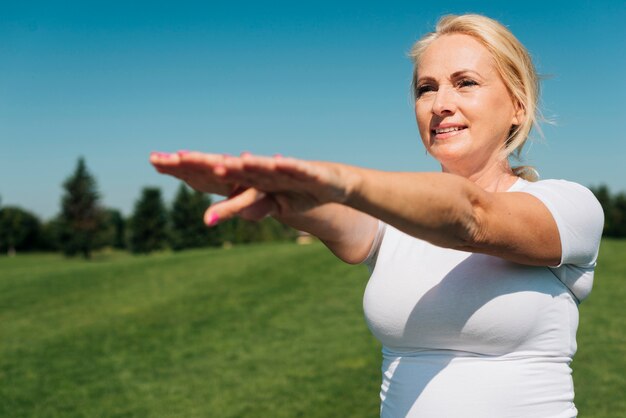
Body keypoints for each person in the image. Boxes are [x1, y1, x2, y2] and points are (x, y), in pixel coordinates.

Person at [150, 14, 604, 418]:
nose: (439, 103)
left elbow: (471, 216)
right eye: (426, 88)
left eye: (465, 82)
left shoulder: (569, 207)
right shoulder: (395, 221)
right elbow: (328, 214)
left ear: (518, 106)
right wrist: (273, 190)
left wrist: (340, 179)